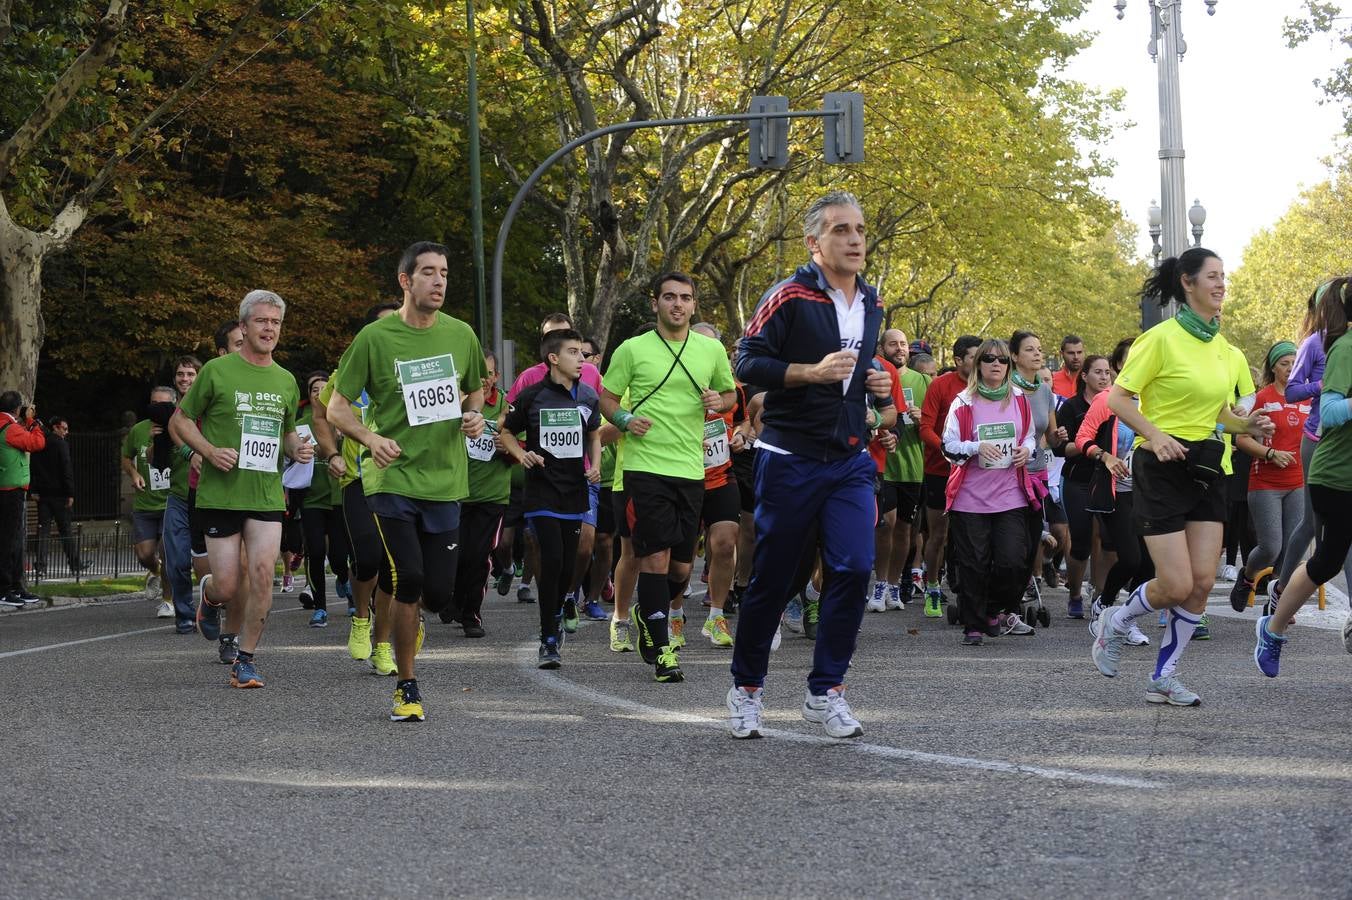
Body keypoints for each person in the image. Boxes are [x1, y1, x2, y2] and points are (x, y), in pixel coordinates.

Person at [725, 190, 895, 740]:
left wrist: (877, 382)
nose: (854, 239)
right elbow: (747, 359)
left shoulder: (871, 303)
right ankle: (746, 688)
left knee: (852, 567)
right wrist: (810, 372)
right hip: (791, 456)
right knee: (775, 580)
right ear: (814, 242)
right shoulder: (790, 294)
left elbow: (858, 366)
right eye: (841, 230)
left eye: (860, 230)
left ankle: (826, 692)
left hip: (848, 460)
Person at [1091, 248, 1271, 707]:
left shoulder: (1223, 348)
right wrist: (1154, 434)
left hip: (1208, 469)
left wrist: (1246, 426)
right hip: (1162, 467)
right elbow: (1118, 400)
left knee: (1203, 583)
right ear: (1187, 283)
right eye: (1213, 277)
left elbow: (1216, 412)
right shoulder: (1161, 339)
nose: (1221, 284)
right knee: (1174, 584)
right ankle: (1115, 622)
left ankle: (1163, 676)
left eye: (1224, 277)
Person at [328, 242, 486, 722]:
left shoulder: (461, 335)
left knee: (439, 595)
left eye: (445, 273)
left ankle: (406, 619)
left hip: (443, 482)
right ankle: (407, 686)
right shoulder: (375, 339)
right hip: (390, 479)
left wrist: (474, 415)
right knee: (408, 578)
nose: (439, 282)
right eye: (429, 273)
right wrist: (369, 437)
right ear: (405, 281)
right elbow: (336, 407)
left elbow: (476, 390)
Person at [172, 290, 312, 689]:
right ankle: (210, 596)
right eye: (262, 321)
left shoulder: (286, 380)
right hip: (220, 494)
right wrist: (209, 450)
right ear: (244, 326)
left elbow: (286, 435)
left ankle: (246, 660)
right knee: (229, 584)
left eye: (276, 323)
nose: (269, 328)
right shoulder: (217, 371)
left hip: (266, 494)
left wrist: (296, 449)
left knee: (264, 573)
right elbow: (181, 422)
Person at [601, 273, 736, 683]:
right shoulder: (632, 349)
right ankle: (663, 651)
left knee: (681, 568)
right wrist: (624, 419)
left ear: (694, 306)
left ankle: (649, 612)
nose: (677, 304)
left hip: (691, 470)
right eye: (669, 297)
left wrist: (720, 401)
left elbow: (729, 395)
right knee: (654, 558)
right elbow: (605, 398)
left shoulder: (711, 350)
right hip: (645, 469)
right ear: (655, 303)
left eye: (685, 298)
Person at [1254, 283, 1352, 674]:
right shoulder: (1341, 348)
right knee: (1327, 559)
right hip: (1337, 473)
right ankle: (1273, 628)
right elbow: (1327, 412)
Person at [501, 329, 602, 667]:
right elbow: (505, 431)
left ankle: (557, 612)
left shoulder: (587, 396)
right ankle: (548, 639)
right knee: (553, 559)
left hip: (574, 491)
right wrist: (522, 454)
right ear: (554, 358)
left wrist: (596, 466)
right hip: (542, 491)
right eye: (574, 352)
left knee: (567, 567)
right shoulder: (531, 396)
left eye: (583, 352)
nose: (582, 358)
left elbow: (594, 436)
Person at [311, 302, 402, 668]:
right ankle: (361, 619)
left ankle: (383, 643)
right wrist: (331, 452)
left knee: (395, 566)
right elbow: (321, 412)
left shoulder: (412, 371)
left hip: (402, 480)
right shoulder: (348, 372)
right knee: (367, 559)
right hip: (359, 480)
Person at [942, 338, 1041, 644]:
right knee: (974, 565)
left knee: (1013, 561)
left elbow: (1030, 436)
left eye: (1001, 360)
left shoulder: (1019, 398)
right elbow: (949, 447)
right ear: (978, 365)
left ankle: (992, 608)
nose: (995, 364)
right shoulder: (964, 402)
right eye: (988, 359)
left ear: (1008, 365)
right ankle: (973, 624)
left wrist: (1026, 450)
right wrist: (976, 446)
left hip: (1010, 494)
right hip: (970, 498)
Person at [1270, 279, 1352, 610]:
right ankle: (1282, 588)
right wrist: (1324, 383)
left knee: (1340, 540)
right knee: (1310, 527)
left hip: (1342, 444)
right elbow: (1292, 392)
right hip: (1318, 439)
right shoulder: (1315, 344)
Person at [1077, 338, 1152, 648]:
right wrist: (1106, 457)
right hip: (1117, 492)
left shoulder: (1154, 400)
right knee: (1131, 559)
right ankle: (1104, 604)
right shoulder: (1107, 399)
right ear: (1120, 366)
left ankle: (1126, 618)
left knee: (1151, 566)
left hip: (1150, 493)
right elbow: (1083, 439)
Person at [1229, 341, 1306, 611]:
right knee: (1271, 547)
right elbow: (1241, 439)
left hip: (1299, 482)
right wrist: (1270, 454)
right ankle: (1248, 577)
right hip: (1266, 483)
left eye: (1294, 363)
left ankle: (1275, 601)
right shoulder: (1262, 398)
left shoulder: (1307, 397)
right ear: (1273, 367)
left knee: (1291, 550)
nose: (1290, 368)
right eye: (1284, 363)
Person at [447, 349, 512, 638]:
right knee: (454, 555)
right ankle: (453, 600)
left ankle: (472, 614)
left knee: (478, 556)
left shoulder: (507, 405)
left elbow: (522, 445)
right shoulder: (452, 403)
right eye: (478, 374)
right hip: (454, 492)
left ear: (496, 376)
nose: (484, 379)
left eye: (488, 373)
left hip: (491, 494)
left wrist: (506, 447)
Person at [918, 334, 982, 616]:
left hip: (979, 472)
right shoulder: (940, 386)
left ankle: (975, 590)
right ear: (958, 360)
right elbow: (925, 428)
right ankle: (932, 587)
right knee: (938, 534)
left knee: (974, 533)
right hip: (940, 470)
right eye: (975, 357)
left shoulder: (991, 386)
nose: (983, 363)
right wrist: (948, 450)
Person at [1008, 331, 1069, 604]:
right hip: (1008, 471)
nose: (1037, 354)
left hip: (1037, 470)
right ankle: (1007, 590)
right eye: (1030, 349)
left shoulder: (1045, 391)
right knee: (1012, 535)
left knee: (1033, 533)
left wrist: (1059, 437)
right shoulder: (1004, 387)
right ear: (1014, 356)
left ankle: (1027, 584)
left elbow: (1050, 437)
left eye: (1039, 349)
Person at [691, 321, 741, 647]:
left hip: (722, 475)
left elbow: (748, 419)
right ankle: (674, 615)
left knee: (725, 544)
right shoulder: (673, 386)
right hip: (681, 476)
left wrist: (742, 434)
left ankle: (717, 616)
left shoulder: (733, 388)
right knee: (678, 557)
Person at [1055, 355, 1113, 618]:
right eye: (1097, 372)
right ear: (1085, 376)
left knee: (1107, 540)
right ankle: (1075, 594)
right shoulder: (1071, 408)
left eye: (1107, 373)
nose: (1103, 377)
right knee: (1081, 543)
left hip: (1109, 480)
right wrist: (1087, 447)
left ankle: (1100, 597)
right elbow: (1060, 449)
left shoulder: (1116, 405)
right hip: (1078, 480)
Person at [294, 371, 351, 628]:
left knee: (340, 556)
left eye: (324, 388)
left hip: (340, 495)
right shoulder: (302, 423)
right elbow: (290, 453)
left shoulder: (344, 416)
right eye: (313, 389)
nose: (318, 393)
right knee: (315, 552)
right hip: (312, 497)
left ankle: (346, 584)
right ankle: (320, 607)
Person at [122, 386, 178, 618]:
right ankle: (153, 571)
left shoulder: (180, 429)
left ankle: (168, 601)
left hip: (170, 504)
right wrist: (134, 474)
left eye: (164, 405)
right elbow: (126, 457)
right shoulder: (139, 430)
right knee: (145, 555)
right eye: (154, 404)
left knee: (168, 554)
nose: (158, 409)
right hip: (145, 505)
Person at [161, 356, 204, 634]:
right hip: (178, 494)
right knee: (176, 559)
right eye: (180, 374)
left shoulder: (211, 407)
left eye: (190, 374)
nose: (185, 379)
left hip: (208, 496)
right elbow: (156, 459)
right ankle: (185, 613)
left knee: (212, 562)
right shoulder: (167, 414)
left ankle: (212, 604)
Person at [0, 395, 44, 609]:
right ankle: (6, 589)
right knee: (10, 541)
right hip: (11, 490)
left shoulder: (7, 425)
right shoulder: (10, 428)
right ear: (17, 409)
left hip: (8, 489)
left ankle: (15, 586)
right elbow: (37, 442)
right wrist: (33, 422)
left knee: (14, 539)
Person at [30, 416, 83, 578]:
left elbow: (33, 467)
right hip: (60, 494)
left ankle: (40, 566)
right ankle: (74, 563)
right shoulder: (61, 444)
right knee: (66, 530)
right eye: (64, 429)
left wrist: (34, 489)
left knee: (43, 531)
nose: (66, 432)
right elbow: (66, 470)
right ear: (55, 427)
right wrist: (70, 493)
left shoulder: (40, 443)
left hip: (43, 495)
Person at [1051, 335, 1085, 399]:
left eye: (1079, 352)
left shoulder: (1091, 379)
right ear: (1062, 354)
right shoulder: (1052, 380)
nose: (1076, 357)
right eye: (1071, 353)